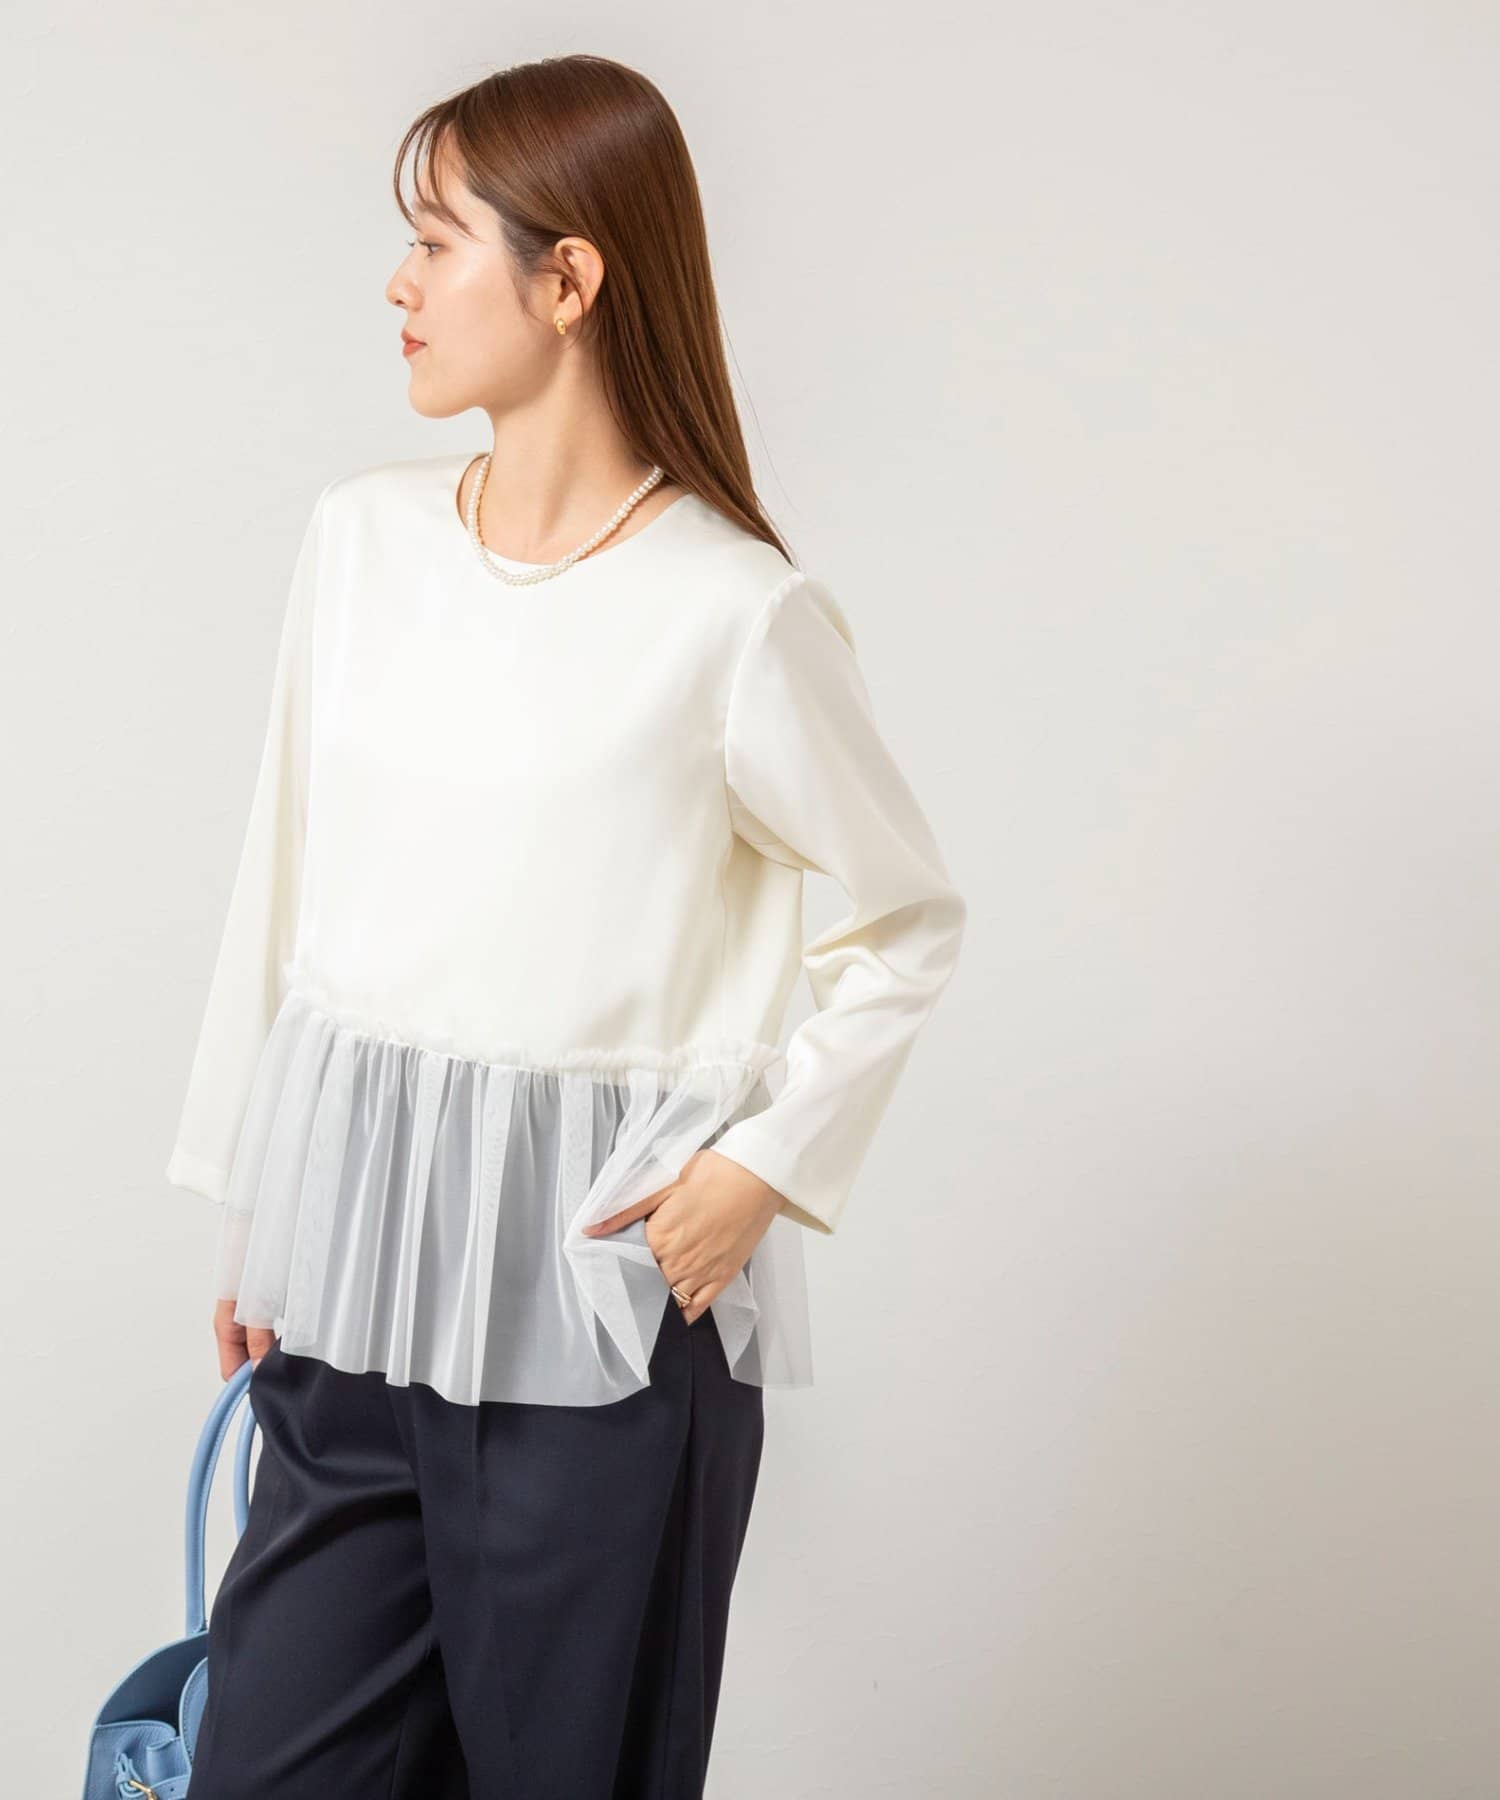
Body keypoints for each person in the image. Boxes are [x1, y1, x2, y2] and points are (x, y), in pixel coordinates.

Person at [167, 53, 967, 1800]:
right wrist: (257, 1209)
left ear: (569, 277)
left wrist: (761, 1167)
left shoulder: (734, 613)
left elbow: (906, 920)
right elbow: (282, 884)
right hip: (356, 1286)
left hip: (599, 1315)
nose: (397, 282)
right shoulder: (362, 543)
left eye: (435, 239)